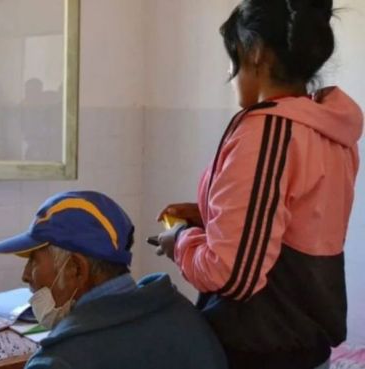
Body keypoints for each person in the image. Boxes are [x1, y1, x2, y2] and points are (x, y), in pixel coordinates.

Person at [153, 1, 363, 369]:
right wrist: (208, 216)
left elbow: (232, 275)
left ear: (254, 53)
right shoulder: (329, 130)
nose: (229, 73)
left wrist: (180, 240)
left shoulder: (268, 130)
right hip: (304, 342)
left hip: (261, 347)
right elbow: (290, 225)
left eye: (231, 58)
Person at [0, 191, 228, 369]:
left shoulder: (59, 361)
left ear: (75, 268)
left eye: (33, 261)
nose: (25, 275)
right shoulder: (184, 317)